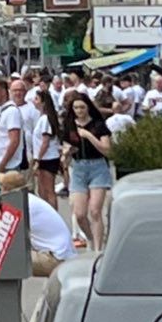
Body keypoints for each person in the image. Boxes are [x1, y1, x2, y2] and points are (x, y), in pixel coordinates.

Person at [61, 91, 115, 253]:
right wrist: (67, 152)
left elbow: (107, 150)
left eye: (82, 107)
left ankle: (98, 249)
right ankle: (90, 237)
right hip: (78, 168)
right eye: (76, 108)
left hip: (97, 166)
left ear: (88, 108)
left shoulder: (98, 125)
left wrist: (89, 136)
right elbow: (65, 155)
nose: (79, 111)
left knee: (95, 210)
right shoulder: (70, 126)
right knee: (79, 214)